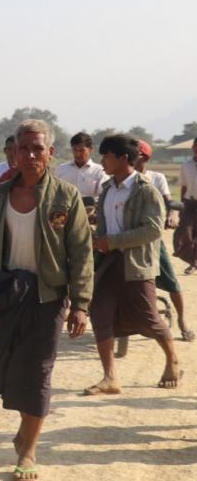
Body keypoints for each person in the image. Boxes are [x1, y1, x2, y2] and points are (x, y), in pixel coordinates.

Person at [0, 119, 92, 480]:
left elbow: (81, 252)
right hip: (8, 294)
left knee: (39, 372)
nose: (30, 155)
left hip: (48, 297)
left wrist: (81, 304)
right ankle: (25, 431)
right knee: (9, 368)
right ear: (13, 153)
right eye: (23, 148)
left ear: (50, 153)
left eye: (37, 148)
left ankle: (29, 450)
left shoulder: (64, 197)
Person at [84, 134, 182, 397]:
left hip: (135, 264)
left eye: (106, 156)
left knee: (149, 318)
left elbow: (152, 230)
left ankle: (172, 359)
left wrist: (112, 241)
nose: (102, 161)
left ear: (123, 158)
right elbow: (105, 226)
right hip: (108, 264)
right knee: (100, 314)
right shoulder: (106, 189)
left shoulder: (145, 190)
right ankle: (110, 378)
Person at [135, 141, 193, 342]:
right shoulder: (119, 179)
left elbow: (171, 203)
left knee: (171, 281)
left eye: (134, 154)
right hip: (124, 239)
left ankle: (182, 321)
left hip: (150, 239)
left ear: (145, 157)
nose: (129, 158)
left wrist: (173, 215)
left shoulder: (156, 178)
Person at [54, 132, 109, 199]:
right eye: (75, 150)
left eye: (81, 150)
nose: (77, 154)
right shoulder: (61, 170)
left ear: (90, 149)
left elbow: (103, 197)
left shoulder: (100, 172)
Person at [174, 137, 197, 274]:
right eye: (195, 146)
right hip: (189, 203)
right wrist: (181, 206)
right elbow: (183, 186)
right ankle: (190, 259)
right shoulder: (186, 166)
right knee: (185, 233)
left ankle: (193, 263)